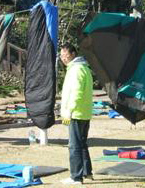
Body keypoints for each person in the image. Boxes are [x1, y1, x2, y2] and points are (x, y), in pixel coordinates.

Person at [59, 43, 94, 185]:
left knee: (74, 146)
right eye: (61, 55)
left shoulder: (76, 69)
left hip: (75, 114)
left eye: (65, 55)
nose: (63, 58)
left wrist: (69, 111)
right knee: (82, 144)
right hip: (83, 113)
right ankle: (87, 173)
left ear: (73, 54)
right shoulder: (83, 68)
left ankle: (76, 176)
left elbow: (77, 93)